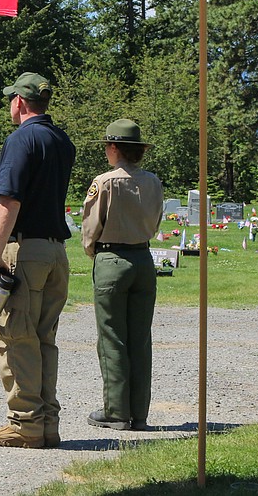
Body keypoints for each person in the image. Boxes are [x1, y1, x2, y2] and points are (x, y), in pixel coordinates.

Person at [0, 72, 75, 449]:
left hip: (26, 249)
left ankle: (25, 424)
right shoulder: (61, 141)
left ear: (20, 102)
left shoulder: (21, 139)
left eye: (10, 99)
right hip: (55, 251)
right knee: (43, 339)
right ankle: (47, 423)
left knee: (16, 338)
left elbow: (10, 200)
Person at [81, 118, 163, 433]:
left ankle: (116, 411)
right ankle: (139, 413)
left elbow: (91, 227)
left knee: (113, 338)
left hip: (112, 258)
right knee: (140, 339)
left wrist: (94, 252)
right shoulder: (153, 182)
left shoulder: (104, 182)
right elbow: (155, 223)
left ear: (114, 148)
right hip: (144, 258)